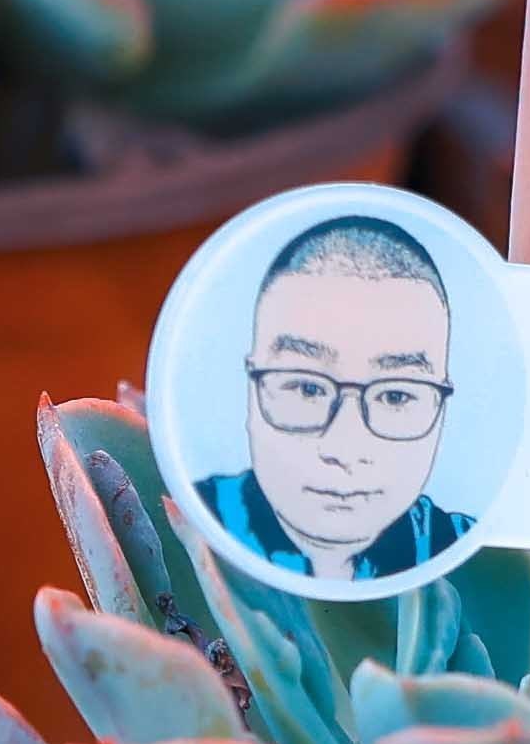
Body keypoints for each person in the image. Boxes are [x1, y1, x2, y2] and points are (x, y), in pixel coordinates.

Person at [204, 214, 476, 583]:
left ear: (441, 407)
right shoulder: (191, 521)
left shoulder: (474, 557)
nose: (345, 450)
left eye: (395, 396)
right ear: (252, 389)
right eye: (307, 389)